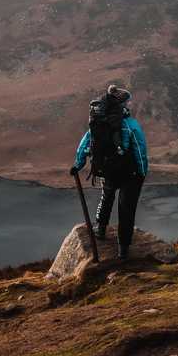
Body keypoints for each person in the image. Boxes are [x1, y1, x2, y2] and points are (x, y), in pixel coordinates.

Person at [69, 84, 149, 260]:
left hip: (107, 170)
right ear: (122, 105)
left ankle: (100, 228)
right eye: (128, 102)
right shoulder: (130, 124)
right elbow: (139, 149)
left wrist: (78, 164)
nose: (129, 105)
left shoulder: (99, 123)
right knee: (126, 209)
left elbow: (85, 144)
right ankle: (123, 248)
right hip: (129, 173)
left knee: (107, 196)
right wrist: (142, 172)